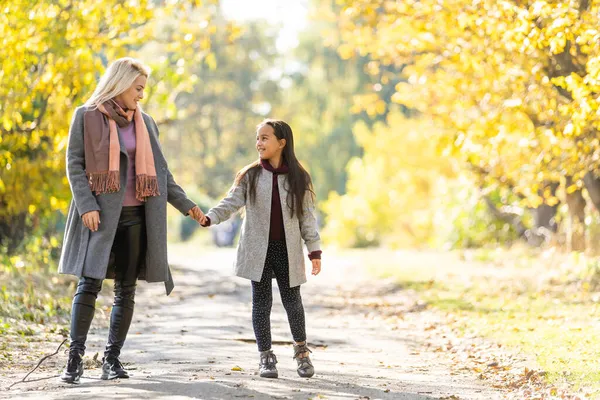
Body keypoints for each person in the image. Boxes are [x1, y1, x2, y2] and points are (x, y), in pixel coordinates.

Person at [57, 57, 205, 384]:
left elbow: (161, 173)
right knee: (89, 284)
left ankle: (112, 360)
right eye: (138, 88)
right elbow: (75, 165)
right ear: (121, 84)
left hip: (137, 217)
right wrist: (86, 206)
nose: (141, 95)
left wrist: (188, 206)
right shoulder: (85, 116)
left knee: (126, 290)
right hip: (98, 216)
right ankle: (74, 359)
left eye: (143, 90)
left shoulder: (146, 122)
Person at [200, 119, 322, 379]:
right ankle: (265, 356)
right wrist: (210, 217)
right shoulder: (251, 175)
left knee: (293, 302)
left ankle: (301, 352)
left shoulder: (299, 178)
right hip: (258, 250)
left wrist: (314, 251)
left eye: (265, 138)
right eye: (258, 138)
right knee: (261, 302)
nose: (259, 143)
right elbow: (231, 202)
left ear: (282, 143)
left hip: (287, 250)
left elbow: (307, 217)